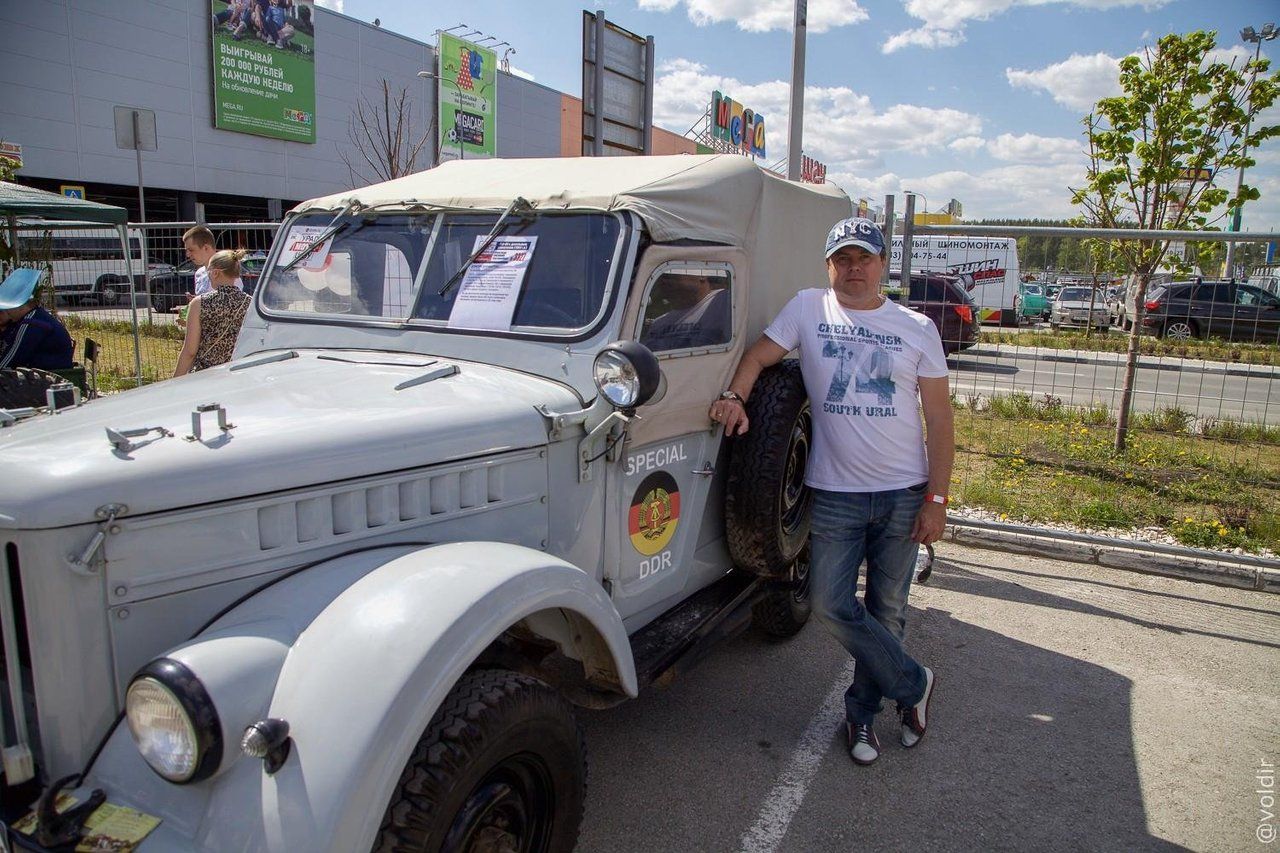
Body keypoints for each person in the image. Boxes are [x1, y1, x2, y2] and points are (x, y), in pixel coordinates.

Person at [710, 216, 953, 766]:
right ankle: (914, 684)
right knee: (829, 604)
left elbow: (939, 419)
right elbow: (757, 356)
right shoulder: (807, 308)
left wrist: (936, 500)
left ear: (884, 265)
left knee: (888, 609)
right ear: (828, 266)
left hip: (902, 493)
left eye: (864, 258)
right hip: (836, 494)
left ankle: (861, 716)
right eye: (843, 259)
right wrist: (735, 396)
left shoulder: (917, 327)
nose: (854, 269)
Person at [175, 250, 253, 376]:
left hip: (206, 375)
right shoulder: (250, 303)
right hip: (237, 373)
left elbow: (190, 351)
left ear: (216, 272)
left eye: (208, 271)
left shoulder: (199, 303)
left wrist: (174, 381)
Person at [0, 268, 75, 372]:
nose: (8, 314)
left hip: (49, 377)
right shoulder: (34, 317)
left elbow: (11, 360)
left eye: (8, 310)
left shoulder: (32, 323)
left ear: (21, 306)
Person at [641, 272, 731, 352]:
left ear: (702, 274)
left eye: (671, 274)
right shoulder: (658, 324)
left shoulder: (725, 301)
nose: (664, 280)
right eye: (662, 276)